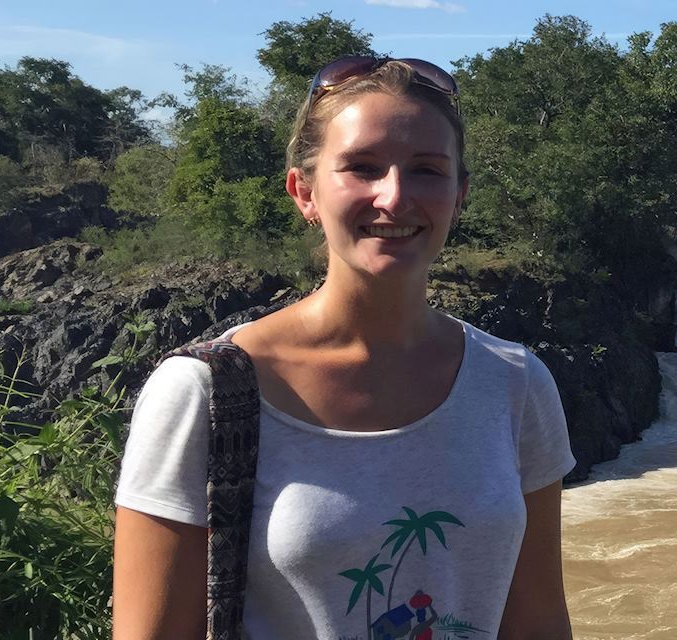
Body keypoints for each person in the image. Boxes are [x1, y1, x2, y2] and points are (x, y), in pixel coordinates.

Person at [111, 56, 574, 639]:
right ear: (304, 192)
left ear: (459, 195)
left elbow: (538, 624)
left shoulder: (515, 383)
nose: (395, 197)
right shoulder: (205, 393)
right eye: (362, 167)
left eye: (428, 170)